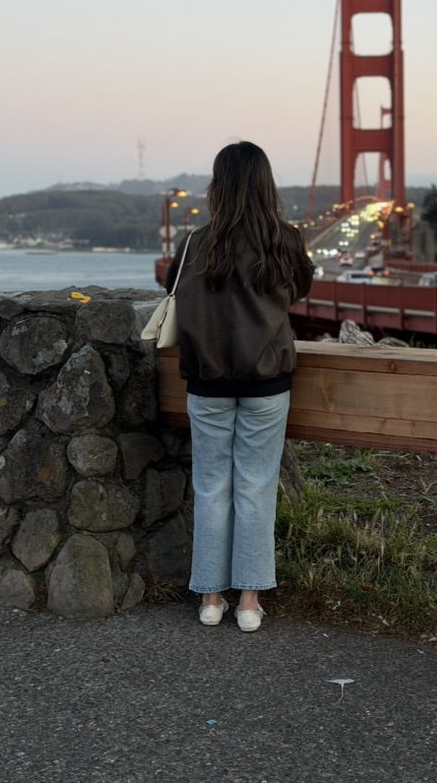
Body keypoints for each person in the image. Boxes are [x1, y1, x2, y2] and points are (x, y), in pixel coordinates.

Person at [165, 141, 314, 632]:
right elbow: (300, 288)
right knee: (255, 487)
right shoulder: (284, 241)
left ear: (217, 186)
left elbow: (171, 289)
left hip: (206, 383)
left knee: (211, 487)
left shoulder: (195, 242)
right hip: (267, 381)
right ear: (266, 185)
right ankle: (249, 601)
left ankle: (210, 599)